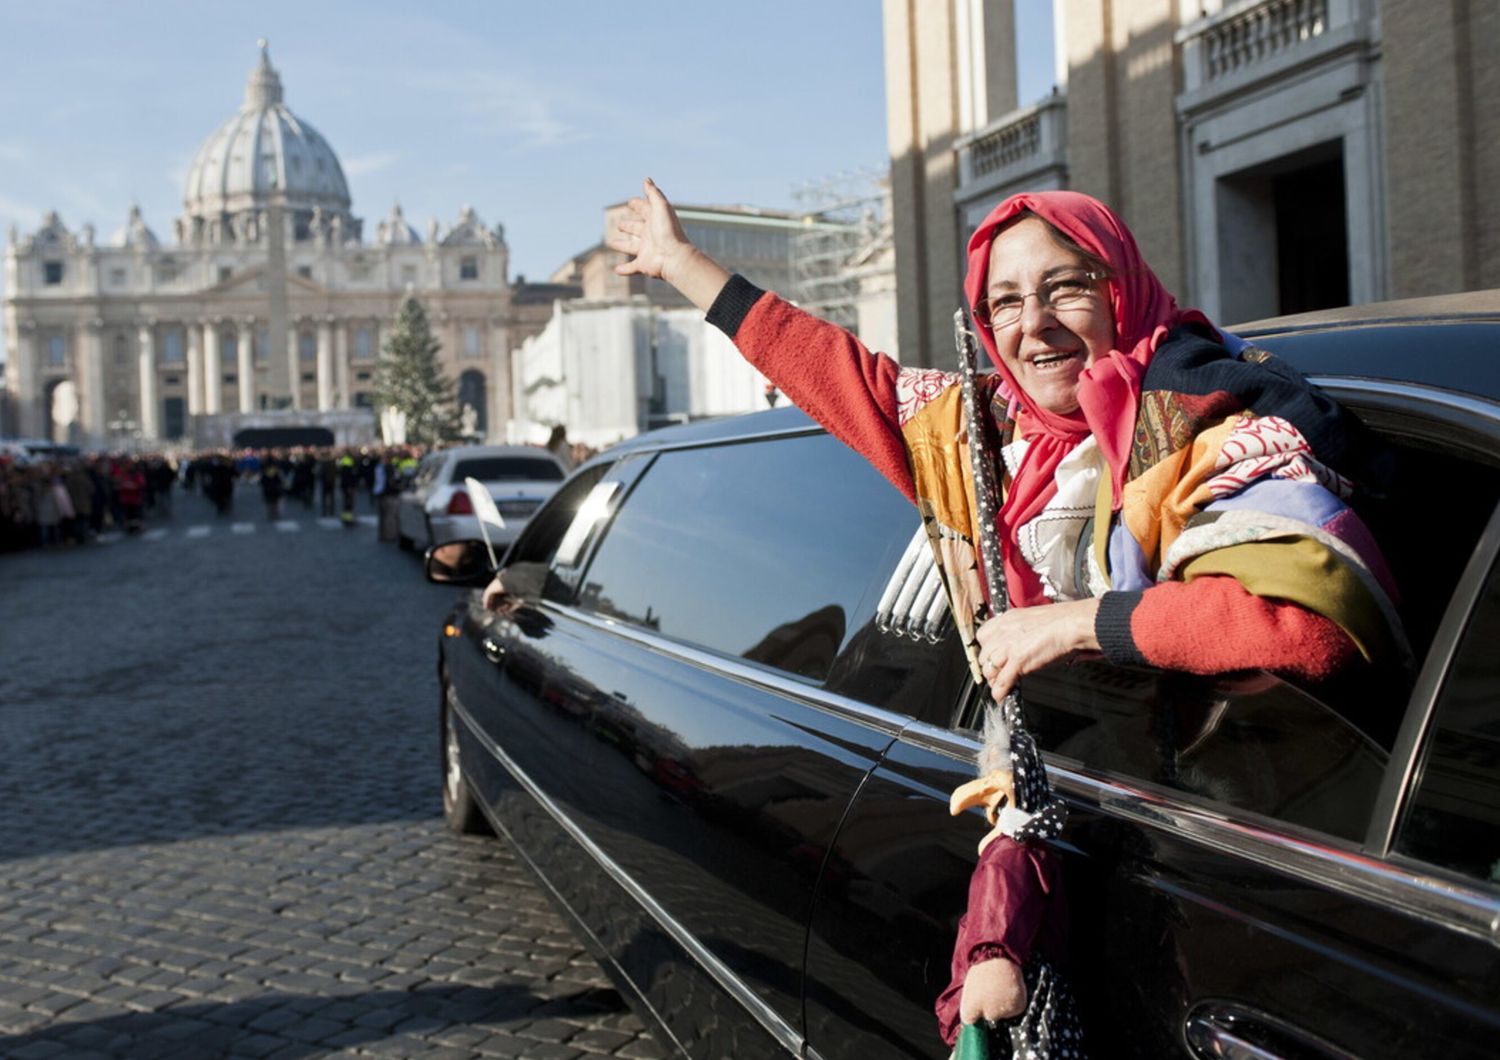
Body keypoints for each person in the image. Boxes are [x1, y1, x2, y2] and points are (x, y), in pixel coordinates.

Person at [594, 180, 1402, 1052]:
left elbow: (1301, 625)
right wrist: (682, 265)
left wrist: (1071, 624)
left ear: (1121, 285)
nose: (1034, 323)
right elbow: (830, 367)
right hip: (1105, 844)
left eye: (1066, 287)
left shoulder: (1216, 419)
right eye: (1004, 301)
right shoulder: (978, 440)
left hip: (1284, 865)